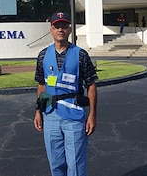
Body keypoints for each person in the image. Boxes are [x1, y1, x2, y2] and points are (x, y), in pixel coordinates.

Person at [33, 11, 98, 176]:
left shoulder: (80, 55)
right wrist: (38, 112)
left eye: (64, 26)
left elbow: (91, 85)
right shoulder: (43, 55)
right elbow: (42, 85)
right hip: (50, 116)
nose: (60, 29)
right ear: (51, 30)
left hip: (74, 117)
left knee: (75, 164)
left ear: (69, 29)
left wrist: (92, 116)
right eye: (57, 26)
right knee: (56, 163)